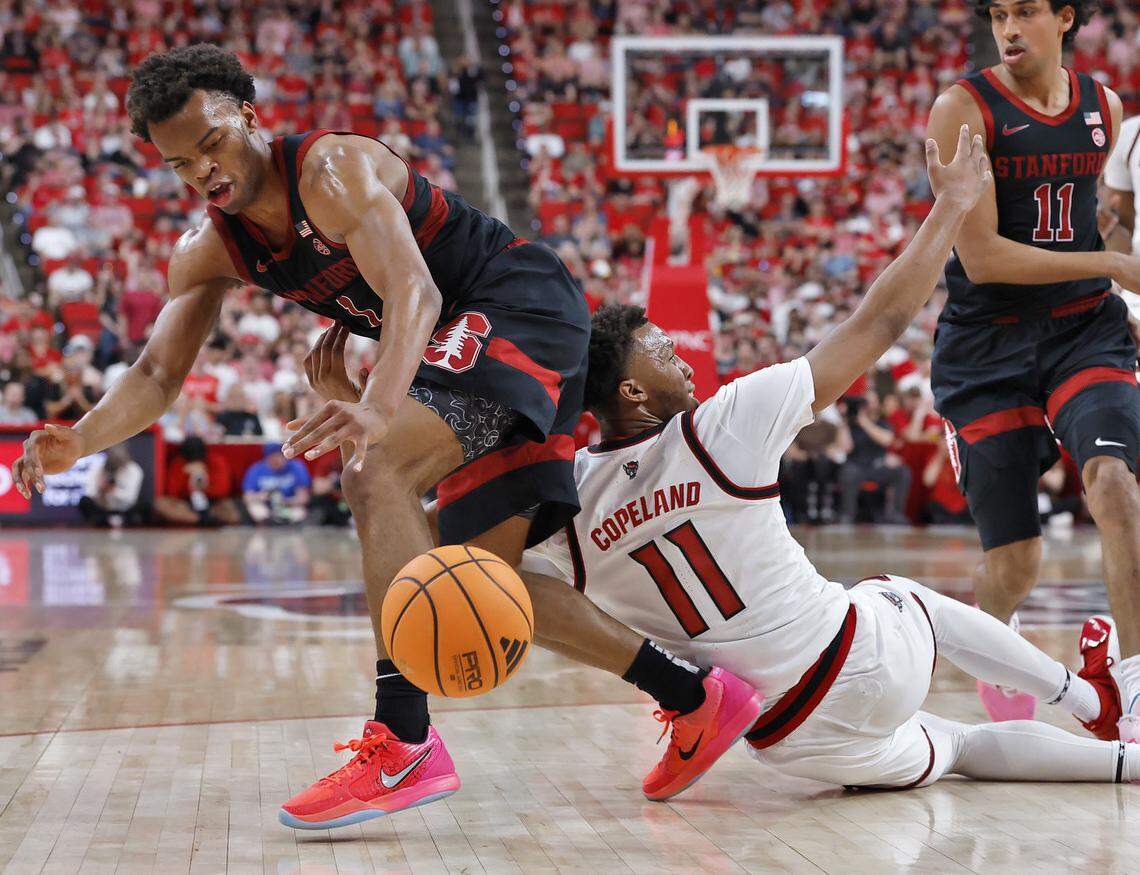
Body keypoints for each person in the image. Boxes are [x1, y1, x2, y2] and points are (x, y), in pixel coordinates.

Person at [12, 45, 758, 828]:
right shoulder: (209, 249)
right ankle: (695, 695)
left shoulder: (327, 171)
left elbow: (415, 286)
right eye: (180, 164)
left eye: (213, 143)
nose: (204, 171)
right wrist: (84, 436)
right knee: (475, 579)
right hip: (463, 342)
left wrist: (378, 405)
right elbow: (158, 374)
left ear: (250, 117)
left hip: (516, 300)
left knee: (374, 467)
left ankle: (403, 739)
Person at [521, 138, 1139, 790]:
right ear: (632, 393)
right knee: (899, 596)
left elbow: (515, 584)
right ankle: (1090, 701)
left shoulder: (572, 508)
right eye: (663, 353)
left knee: (958, 746)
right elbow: (881, 320)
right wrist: (953, 206)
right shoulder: (722, 424)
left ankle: (1126, 766)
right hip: (860, 660)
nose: (681, 358)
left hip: (789, 742)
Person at [926, 0, 1140, 735]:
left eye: (1025, 12)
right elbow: (982, 259)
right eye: (998, 14)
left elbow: (1095, 210)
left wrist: (1115, 242)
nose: (1009, 29)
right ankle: (998, 629)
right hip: (987, 347)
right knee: (1017, 559)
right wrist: (1115, 261)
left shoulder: (1103, 106)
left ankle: (1137, 691)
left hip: (1083, 330)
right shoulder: (962, 107)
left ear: (1065, 17)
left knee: (1114, 485)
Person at [836, 390, 912, 524]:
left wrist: (864, 421)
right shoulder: (850, 425)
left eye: (872, 401)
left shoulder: (882, 423)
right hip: (856, 466)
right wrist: (844, 421)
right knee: (848, 472)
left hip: (878, 466)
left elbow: (887, 440)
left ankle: (895, 513)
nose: (869, 405)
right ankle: (847, 515)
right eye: (866, 402)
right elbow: (846, 447)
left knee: (903, 472)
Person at [154, 435, 240, 526]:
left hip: (213, 504)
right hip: (186, 506)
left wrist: (205, 485)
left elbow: (223, 490)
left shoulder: (217, 462)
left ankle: (209, 518)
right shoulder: (178, 464)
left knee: (229, 509)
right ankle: (197, 520)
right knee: (160, 504)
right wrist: (186, 479)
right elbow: (172, 492)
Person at [241, 443, 311, 524]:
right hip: (266, 507)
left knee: (299, 513)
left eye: (280, 456)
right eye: (274, 457)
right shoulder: (256, 469)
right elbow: (247, 497)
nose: (278, 459)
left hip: (287, 507)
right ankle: (264, 530)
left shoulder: (296, 466)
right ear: (267, 458)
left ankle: (292, 533)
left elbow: (304, 497)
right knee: (257, 510)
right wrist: (261, 496)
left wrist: (285, 501)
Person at [78, 444, 146, 527]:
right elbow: (90, 492)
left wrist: (112, 490)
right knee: (84, 501)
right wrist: (99, 488)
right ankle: (102, 520)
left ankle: (121, 520)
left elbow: (130, 497)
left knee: (143, 505)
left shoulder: (133, 470)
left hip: (125, 509)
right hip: (102, 508)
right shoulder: (99, 467)